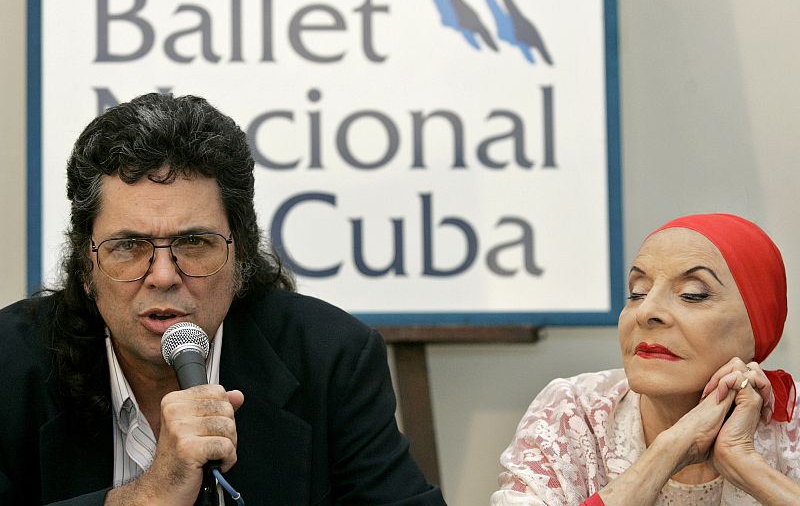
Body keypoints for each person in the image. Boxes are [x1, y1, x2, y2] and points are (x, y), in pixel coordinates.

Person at [0, 93, 446, 505]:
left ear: (242, 255)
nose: (162, 276)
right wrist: (150, 494)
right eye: (129, 245)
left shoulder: (330, 360)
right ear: (85, 264)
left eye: (194, 242)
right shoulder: (9, 365)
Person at [491, 214, 800, 505]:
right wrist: (668, 450)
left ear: (759, 325)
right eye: (637, 292)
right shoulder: (575, 410)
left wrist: (748, 467)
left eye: (692, 294)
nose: (645, 311)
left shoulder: (793, 425)